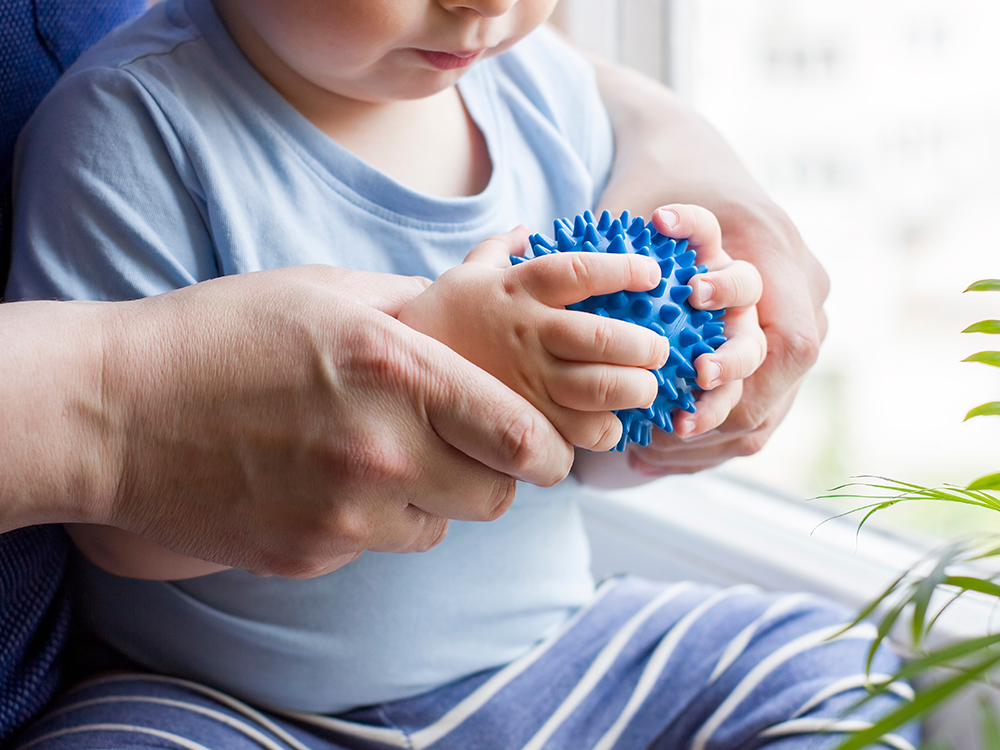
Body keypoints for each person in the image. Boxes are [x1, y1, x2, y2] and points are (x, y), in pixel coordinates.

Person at [5, 1, 916, 749]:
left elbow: (581, 457)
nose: (484, 5)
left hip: (553, 657)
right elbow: (117, 533)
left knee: (839, 671)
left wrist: (676, 396)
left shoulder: (540, 88)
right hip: (233, 707)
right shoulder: (127, 125)